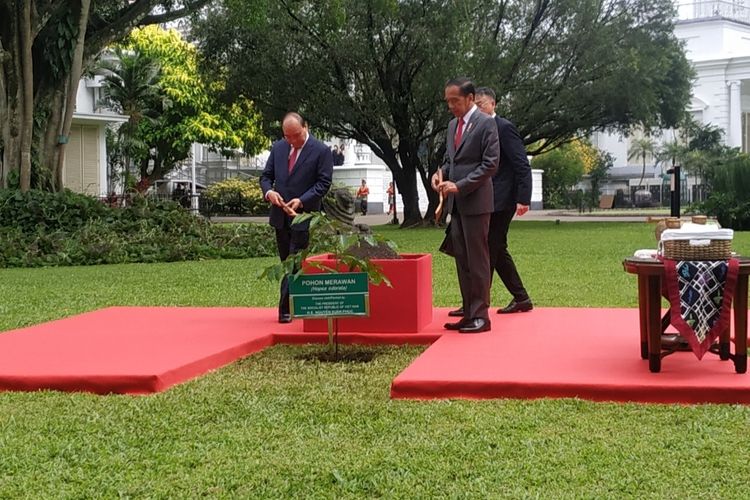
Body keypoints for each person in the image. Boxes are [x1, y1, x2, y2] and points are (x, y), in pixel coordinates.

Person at [431, 77, 499, 334]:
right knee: (462, 259)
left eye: (455, 101)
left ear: (470, 98)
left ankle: (481, 316)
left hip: (477, 202)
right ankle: (468, 312)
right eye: (447, 102)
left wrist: (460, 185)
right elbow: (452, 161)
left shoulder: (486, 124)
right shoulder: (452, 126)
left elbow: (490, 164)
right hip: (456, 204)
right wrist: (441, 175)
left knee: (478, 260)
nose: (451, 106)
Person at [260, 112, 333, 323]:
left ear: (306, 127)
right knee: (287, 261)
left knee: (293, 260)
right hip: (279, 215)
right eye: (287, 136)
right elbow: (266, 176)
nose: (292, 141)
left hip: (303, 214)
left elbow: (323, 183)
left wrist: (301, 200)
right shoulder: (278, 148)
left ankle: (284, 309)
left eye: (296, 135)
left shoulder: (321, 151)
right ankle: (298, 303)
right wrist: (269, 192)